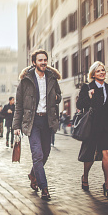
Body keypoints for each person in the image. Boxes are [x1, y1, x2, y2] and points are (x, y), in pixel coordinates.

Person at [13, 49, 62, 201]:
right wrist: (16, 126)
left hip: (47, 121)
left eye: (45, 60)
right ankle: (44, 188)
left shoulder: (52, 78)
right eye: (40, 60)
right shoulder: (25, 81)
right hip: (32, 122)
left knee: (45, 153)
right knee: (37, 154)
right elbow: (19, 106)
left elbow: (59, 97)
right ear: (34, 62)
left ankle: (33, 174)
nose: (43, 63)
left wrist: (56, 97)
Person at [76, 61, 108, 199]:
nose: (101, 72)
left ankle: (107, 185)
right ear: (93, 74)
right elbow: (79, 104)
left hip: (107, 127)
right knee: (89, 155)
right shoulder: (87, 87)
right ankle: (85, 176)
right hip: (93, 126)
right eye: (98, 71)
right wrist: (88, 96)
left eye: (103, 70)